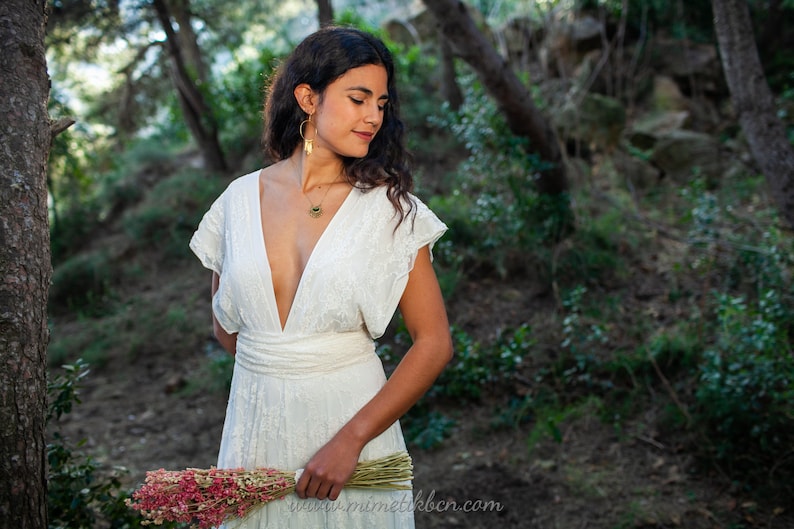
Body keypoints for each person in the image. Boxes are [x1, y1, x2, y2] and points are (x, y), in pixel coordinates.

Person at [189, 26, 453, 528]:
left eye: (381, 102)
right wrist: (279, 376)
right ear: (308, 98)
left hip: (353, 434)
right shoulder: (235, 204)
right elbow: (225, 325)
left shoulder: (392, 210)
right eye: (358, 99)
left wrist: (351, 439)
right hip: (255, 434)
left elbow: (434, 342)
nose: (374, 116)